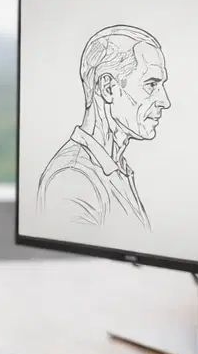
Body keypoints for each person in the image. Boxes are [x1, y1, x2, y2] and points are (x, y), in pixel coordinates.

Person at [37, 24, 169, 231]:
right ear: (107, 88)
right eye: (151, 84)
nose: (165, 101)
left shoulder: (114, 167)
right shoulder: (72, 177)